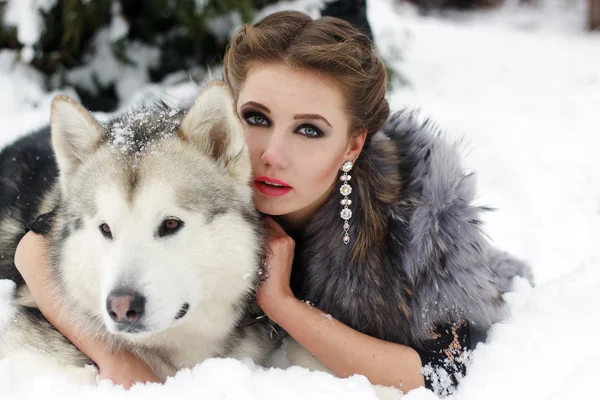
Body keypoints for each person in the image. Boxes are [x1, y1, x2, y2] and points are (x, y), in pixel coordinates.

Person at [14, 10, 531, 397]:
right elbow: (38, 245)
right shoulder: (194, 150)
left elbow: (441, 372)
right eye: (257, 118)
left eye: (309, 129)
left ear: (353, 145)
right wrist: (120, 362)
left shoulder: (417, 221)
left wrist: (281, 303)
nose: (272, 155)